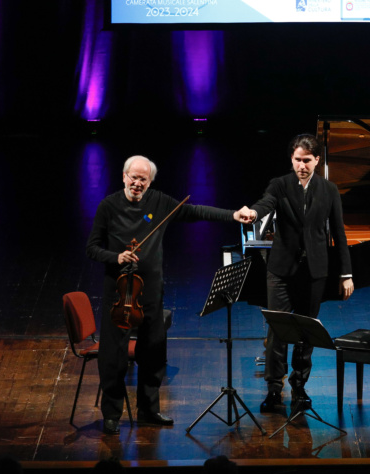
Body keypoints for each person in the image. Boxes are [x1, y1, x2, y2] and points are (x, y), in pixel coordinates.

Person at [86, 155, 252, 434]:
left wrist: (232, 215)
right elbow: (92, 248)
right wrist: (116, 257)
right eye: (133, 177)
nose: (137, 183)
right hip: (120, 293)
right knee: (113, 357)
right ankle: (112, 413)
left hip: (150, 291)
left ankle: (149, 410)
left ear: (149, 182)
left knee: (153, 353)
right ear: (124, 177)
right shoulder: (109, 206)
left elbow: (196, 212)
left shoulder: (159, 202)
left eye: (143, 179)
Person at [242, 134, 354, 412]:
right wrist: (253, 214)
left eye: (306, 160)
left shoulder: (329, 190)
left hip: (315, 271)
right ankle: (273, 389)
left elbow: (339, 234)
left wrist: (346, 273)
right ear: (291, 159)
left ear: (317, 160)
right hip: (280, 269)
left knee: (306, 331)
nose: (301, 165)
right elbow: (265, 203)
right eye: (297, 160)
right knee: (277, 330)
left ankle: (299, 386)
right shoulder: (280, 185)